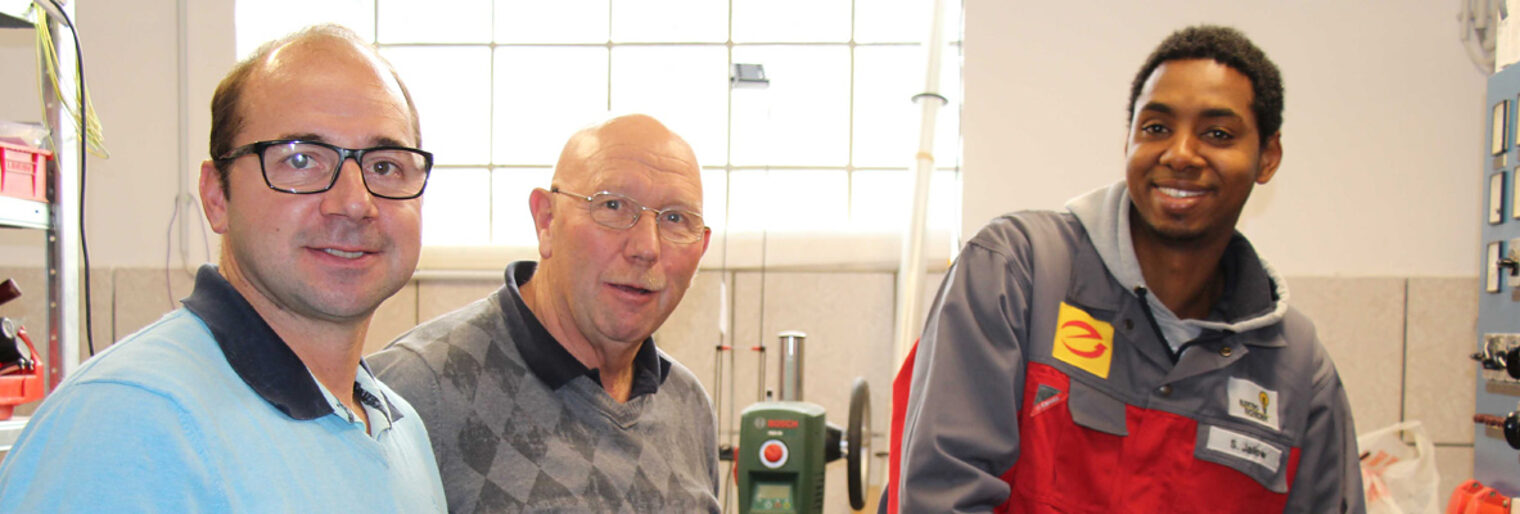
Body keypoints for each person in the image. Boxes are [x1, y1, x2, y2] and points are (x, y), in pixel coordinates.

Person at [887, 25, 1365, 513]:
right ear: (1128, 142)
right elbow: (941, 496)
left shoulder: (1298, 370)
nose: (1180, 154)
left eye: (1217, 134)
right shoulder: (1018, 274)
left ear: (1267, 157)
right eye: (1156, 128)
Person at [0, 25, 446, 512]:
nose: (355, 203)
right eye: (301, 160)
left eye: (385, 166)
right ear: (217, 197)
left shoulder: (399, 427)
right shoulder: (130, 420)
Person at [369, 113, 720, 513]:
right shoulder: (417, 389)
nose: (646, 247)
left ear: (702, 248)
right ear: (547, 221)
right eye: (613, 206)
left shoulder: (687, 405)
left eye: (675, 219)